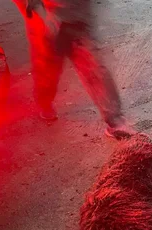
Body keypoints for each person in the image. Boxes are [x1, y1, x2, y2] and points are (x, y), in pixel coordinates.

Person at [13, 0, 135, 137]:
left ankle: (115, 120)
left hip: (77, 17)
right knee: (47, 68)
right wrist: (40, 13)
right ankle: (44, 101)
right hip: (46, 18)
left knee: (94, 65)